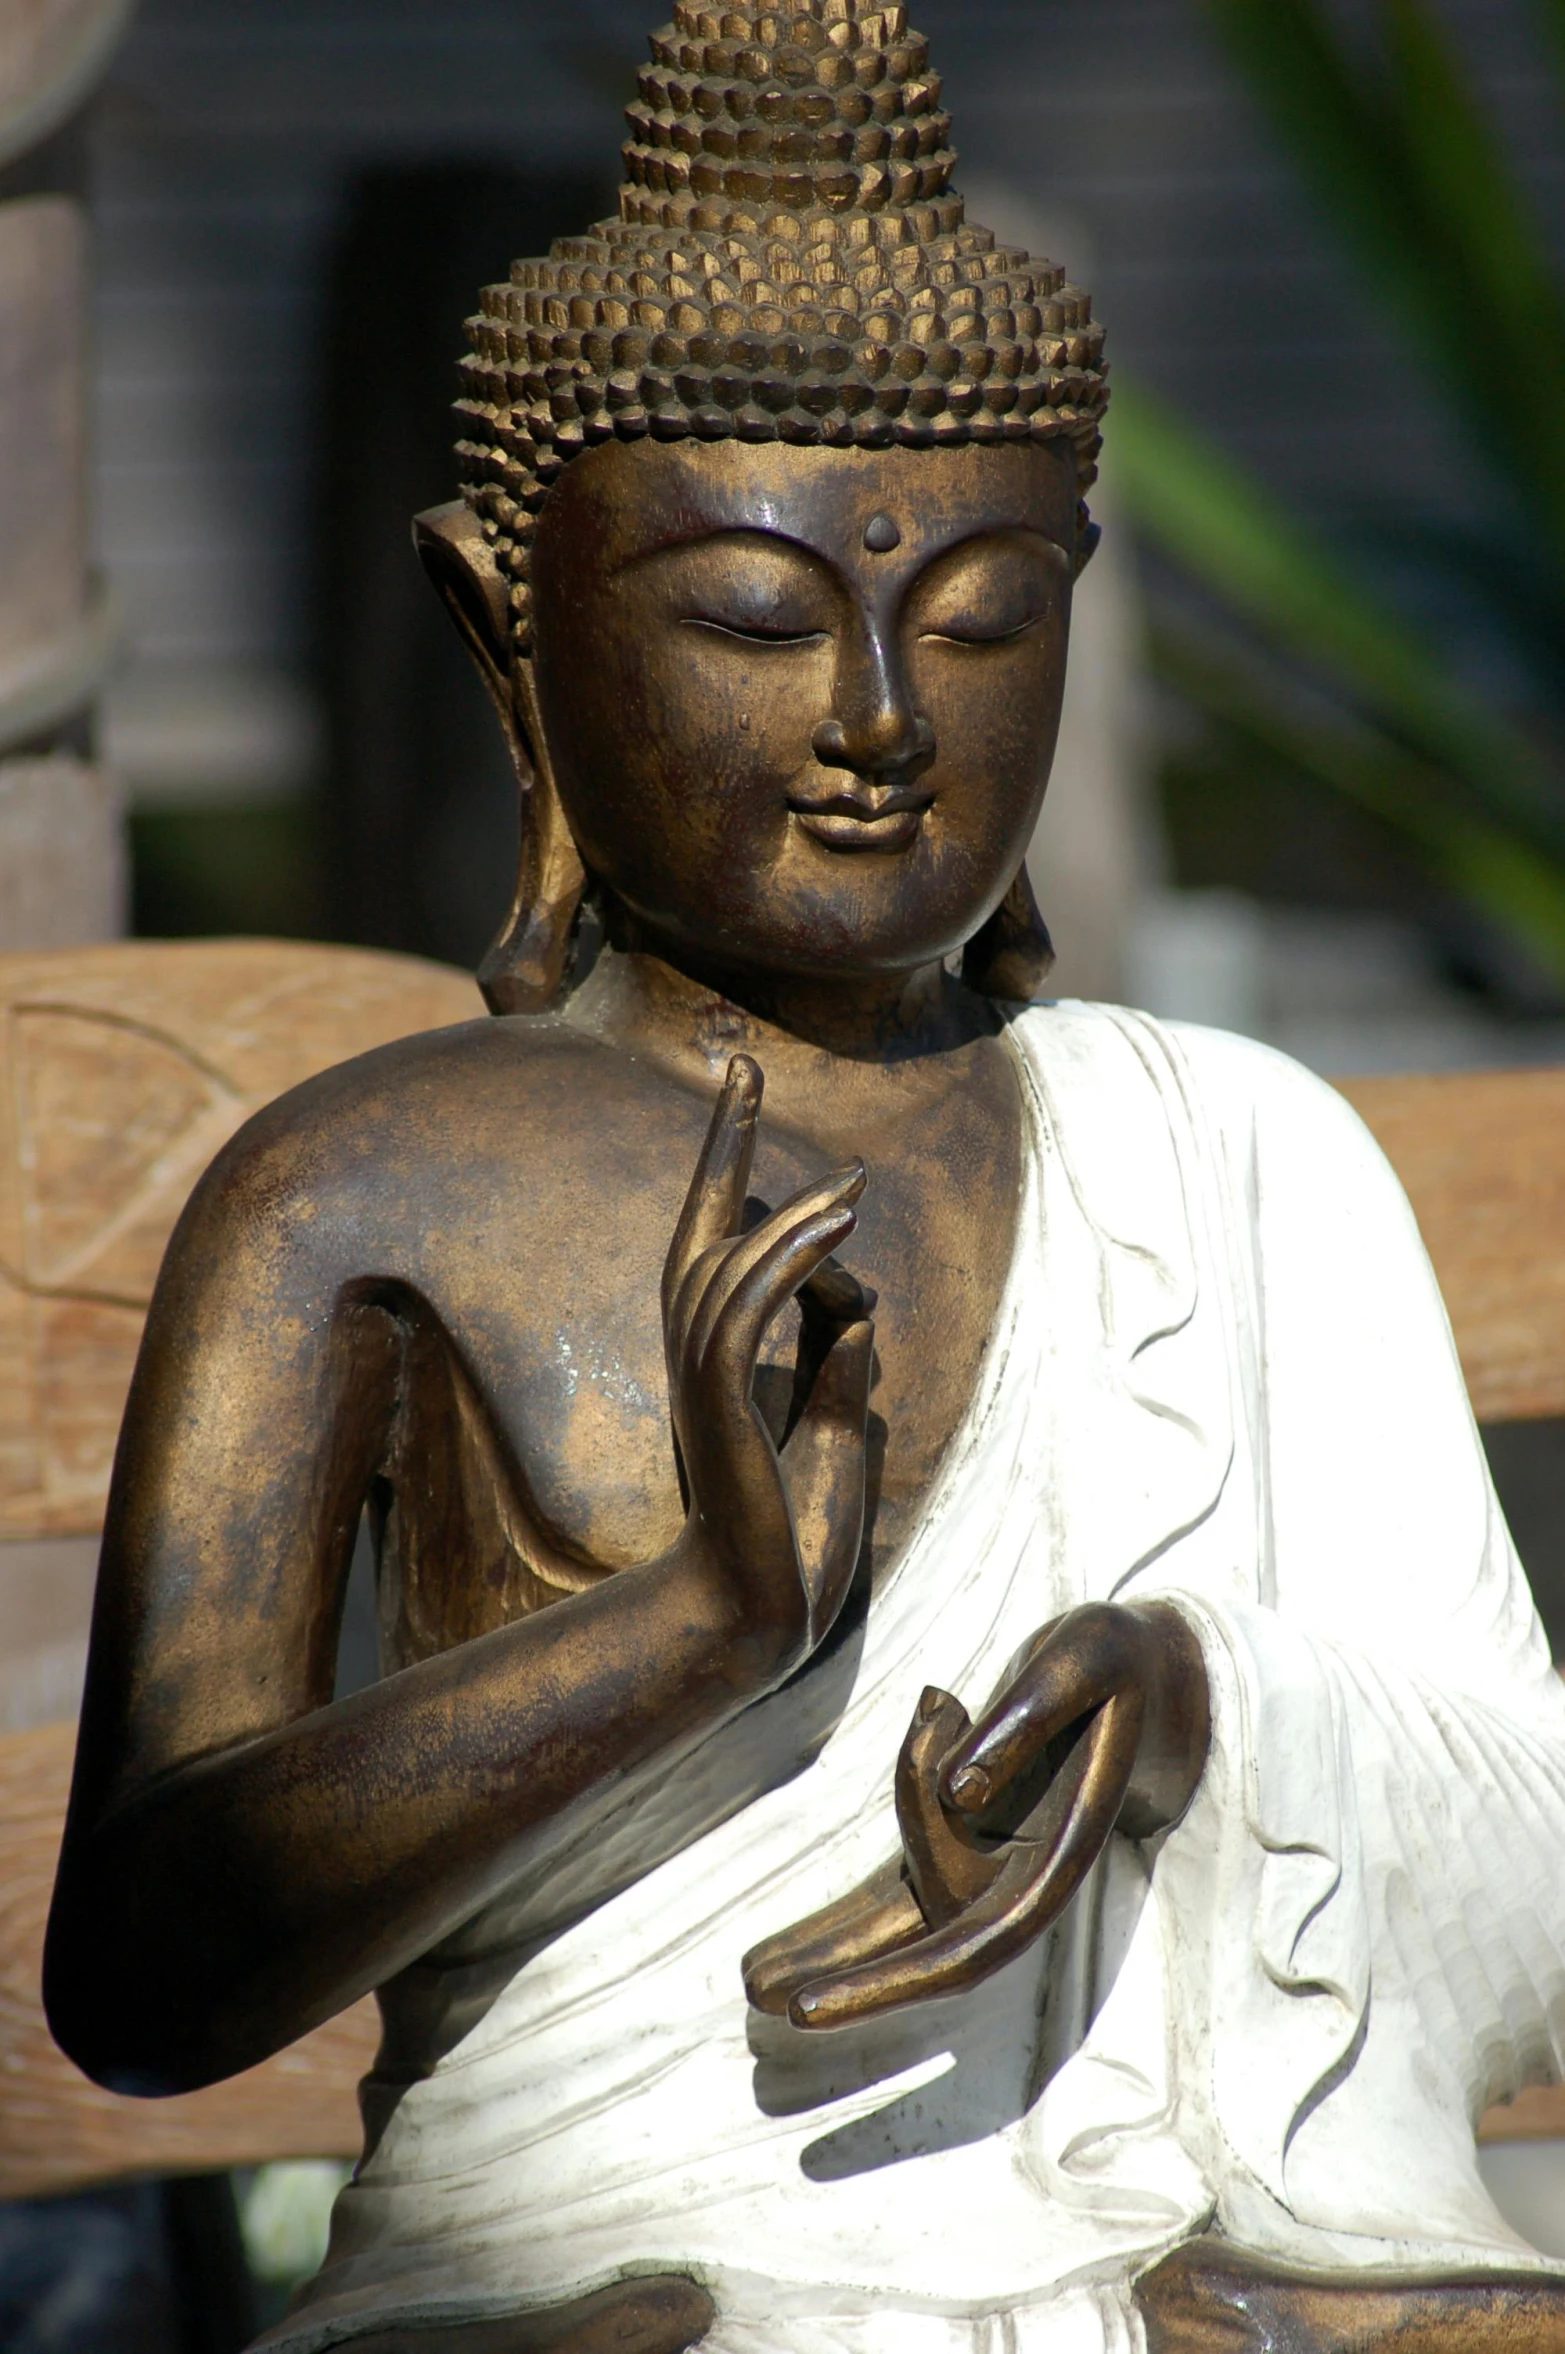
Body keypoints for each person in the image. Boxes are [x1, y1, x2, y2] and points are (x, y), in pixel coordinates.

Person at [45, 4, 1565, 2347]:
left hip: (1188, 2263)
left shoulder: (1243, 1156)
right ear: (509, 638)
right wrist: (693, 1632)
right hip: (607, 2281)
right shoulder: (362, 1190)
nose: (875, 714)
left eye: (979, 618)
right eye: (749, 618)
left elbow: (1530, 1869)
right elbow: (147, 1972)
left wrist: (1194, 1716)